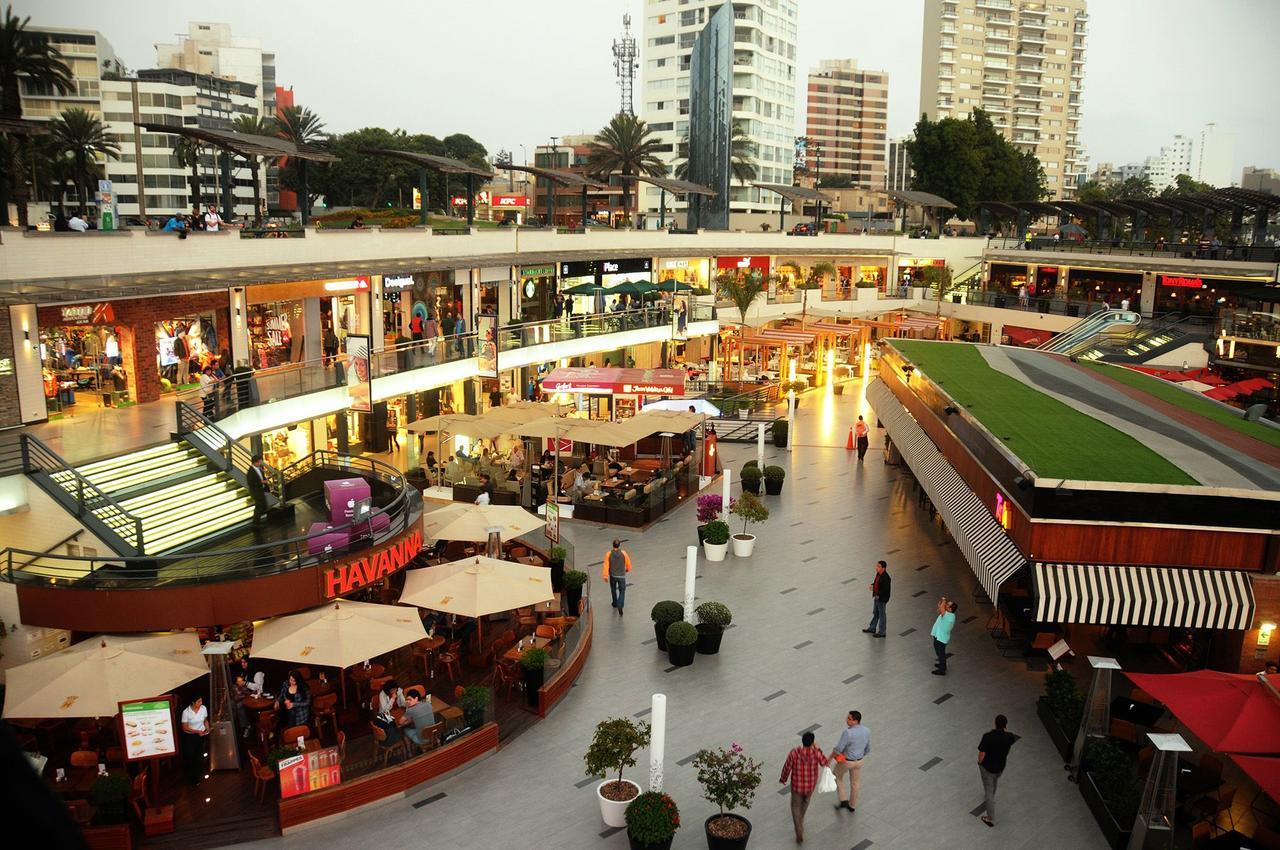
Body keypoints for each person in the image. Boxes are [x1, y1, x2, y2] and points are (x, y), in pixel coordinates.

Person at [780, 730, 829, 844]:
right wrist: (818, 748)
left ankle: (799, 829)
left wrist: (783, 778)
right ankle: (800, 820)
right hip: (810, 787)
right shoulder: (816, 753)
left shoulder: (794, 753)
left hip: (797, 786)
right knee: (805, 802)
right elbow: (825, 763)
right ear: (812, 742)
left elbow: (787, 767)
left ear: (802, 741)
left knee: (795, 806)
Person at [977, 714, 1018, 828]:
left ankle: (990, 818)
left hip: (988, 767)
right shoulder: (1009, 737)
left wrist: (980, 762)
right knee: (994, 781)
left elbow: (982, 754)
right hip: (1000, 766)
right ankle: (991, 795)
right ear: (1005, 725)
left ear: (995, 723)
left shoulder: (988, 736)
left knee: (988, 790)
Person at [829, 709, 870, 813]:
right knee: (855, 783)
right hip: (859, 761)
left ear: (856, 721)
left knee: (836, 776)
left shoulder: (848, 732)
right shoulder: (866, 730)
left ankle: (843, 800)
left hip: (847, 761)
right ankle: (852, 805)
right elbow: (868, 748)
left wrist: (829, 759)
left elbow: (838, 749)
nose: (847, 720)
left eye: (849, 719)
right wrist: (860, 756)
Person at [180, 695, 210, 784]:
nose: (201, 703)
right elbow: (185, 728)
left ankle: (197, 778)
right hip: (190, 737)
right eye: (199, 702)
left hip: (201, 735)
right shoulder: (186, 712)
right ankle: (189, 778)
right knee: (190, 758)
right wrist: (197, 731)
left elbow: (205, 720)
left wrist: (207, 728)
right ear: (193, 702)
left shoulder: (203, 708)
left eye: (201, 701)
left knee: (199, 757)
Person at [602, 538, 632, 615]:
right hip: (621, 576)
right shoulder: (624, 553)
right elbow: (628, 562)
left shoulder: (608, 554)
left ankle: (615, 603)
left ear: (613, 545)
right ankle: (620, 604)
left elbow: (606, 565)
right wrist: (628, 569)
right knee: (622, 591)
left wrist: (605, 576)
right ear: (619, 545)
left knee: (613, 589)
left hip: (612, 576)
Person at [862, 560, 891, 638]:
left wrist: (877, 594)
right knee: (876, 612)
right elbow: (876, 582)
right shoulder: (878, 574)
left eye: (878, 566)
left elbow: (885, 590)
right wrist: (873, 585)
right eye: (876, 566)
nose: (876, 568)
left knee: (882, 615)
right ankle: (872, 628)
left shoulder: (886, 578)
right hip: (877, 597)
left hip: (881, 599)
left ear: (883, 568)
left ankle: (882, 632)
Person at [931, 597, 958, 676]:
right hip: (938, 635)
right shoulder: (946, 613)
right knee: (938, 651)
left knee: (941, 653)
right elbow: (939, 610)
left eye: (947, 605)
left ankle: (942, 669)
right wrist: (941, 604)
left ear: (950, 609)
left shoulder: (949, 616)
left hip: (941, 638)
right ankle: (942, 664)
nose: (946, 605)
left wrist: (943, 600)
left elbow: (942, 609)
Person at [247, 454, 269, 525]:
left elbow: (262, 477)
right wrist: (261, 482)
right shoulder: (250, 471)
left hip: (261, 491)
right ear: (255, 462)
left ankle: (257, 521)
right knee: (259, 507)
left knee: (263, 506)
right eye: (259, 462)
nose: (260, 463)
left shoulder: (259, 469)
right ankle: (256, 523)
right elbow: (251, 482)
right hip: (256, 492)